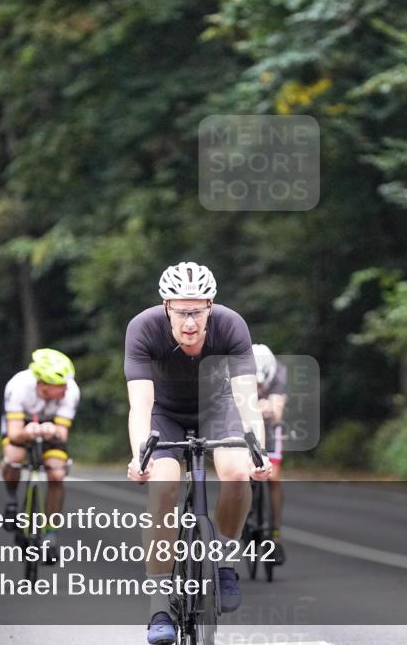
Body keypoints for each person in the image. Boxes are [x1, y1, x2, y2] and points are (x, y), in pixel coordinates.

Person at [124, 261, 270, 645]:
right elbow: (140, 405)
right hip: (164, 413)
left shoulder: (231, 325)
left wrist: (257, 450)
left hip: (217, 408)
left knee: (236, 472)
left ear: (211, 306)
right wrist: (140, 456)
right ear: (165, 307)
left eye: (198, 311)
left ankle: (225, 562)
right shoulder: (143, 328)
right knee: (163, 487)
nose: (189, 322)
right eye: (180, 311)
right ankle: (159, 605)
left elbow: (246, 398)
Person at [0, 348, 80, 561]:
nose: (66, 389)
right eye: (60, 386)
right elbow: (14, 433)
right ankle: (11, 500)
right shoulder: (18, 387)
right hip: (21, 423)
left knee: (57, 474)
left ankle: (50, 535)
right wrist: (27, 432)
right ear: (44, 385)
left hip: (52, 426)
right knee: (14, 459)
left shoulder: (71, 390)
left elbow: (62, 435)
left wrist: (52, 432)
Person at [252, 343, 287, 565]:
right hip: (245, 423)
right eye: (255, 384)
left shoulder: (279, 373)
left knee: (273, 477)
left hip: (269, 426)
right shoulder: (236, 370)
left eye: (261, 384)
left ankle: (275, 533)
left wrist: (273, 413)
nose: (259, 388)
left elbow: (277, 408)